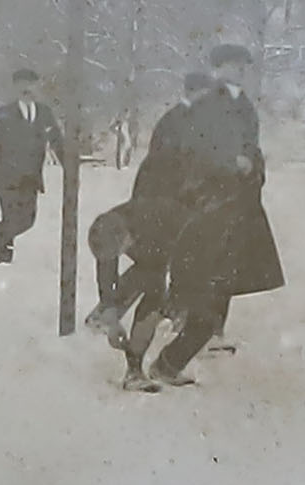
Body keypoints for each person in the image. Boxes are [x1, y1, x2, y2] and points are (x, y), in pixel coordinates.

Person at [125, 43, 284, 392]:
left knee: (213, 295)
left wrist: (252, 168)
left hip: (235, 212)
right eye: (231, 65)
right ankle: (147, 362)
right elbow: (192, 154)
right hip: (204, 210)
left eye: (243, 65)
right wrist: (231, 167)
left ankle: (167, 362)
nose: (239, 70)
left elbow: (252, 153)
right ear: (216, 68)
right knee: (194, 291)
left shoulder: (244, 106)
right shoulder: (206, 107)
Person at [87, 71, 212, 333]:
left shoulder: (195, 120)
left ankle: (110, 312)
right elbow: (167, 163)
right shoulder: (177, 120)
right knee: (160, 262)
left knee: (152, 264)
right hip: (163, 199)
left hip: (169, 199)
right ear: (193, 92)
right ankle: (168, 315)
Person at [0, 67, 67, 263]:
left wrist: (69, 165)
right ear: (15, 88)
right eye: (21, 85)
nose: (26, 89)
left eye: (30, 84)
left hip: (30, 177)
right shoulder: (5, 113)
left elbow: (57, 141)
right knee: (11, 216)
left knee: (27, 221)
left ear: (36, 87)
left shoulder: (45, 113)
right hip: (5, 176)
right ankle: (3, 261)